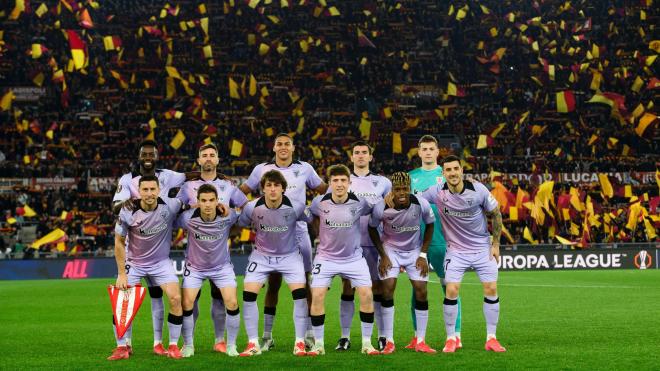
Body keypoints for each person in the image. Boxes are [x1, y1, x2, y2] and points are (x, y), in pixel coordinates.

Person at [239, 133, 327, 350]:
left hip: (298, 230)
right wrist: (231, 204)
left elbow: (324, 190)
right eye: (280, 144)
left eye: (287, 144)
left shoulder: (305, 168)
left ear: (293, 147)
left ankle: (307, 333)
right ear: (274, 148)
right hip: (270, 232)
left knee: (304, 283)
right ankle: (267, 336)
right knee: (273, 285)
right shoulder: (261, 169)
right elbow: (242, 192)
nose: (283, 147)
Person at [419, 155, 506, 353]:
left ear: (461, 170)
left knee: (491, 289)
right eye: (448, 170)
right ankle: (451, 339)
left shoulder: (478, 189)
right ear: (443, 173)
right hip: (456, 251)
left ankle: (491, 338)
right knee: (451, 290)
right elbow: (415, 199)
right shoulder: (437, 191)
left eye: (455, 169)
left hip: (482, 248)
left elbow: (496, 213)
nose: (452, 173)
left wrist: (496, 244)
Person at [111, 139, 187, 356]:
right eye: (145, 189)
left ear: (159, 189)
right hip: (134, 262)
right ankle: (122, 346)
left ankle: (171, 345)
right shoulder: (128, 204)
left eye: (153, 189)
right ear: (138, 191)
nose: (149, 193)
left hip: (161, 263)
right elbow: (117, 240)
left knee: (174, 298)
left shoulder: (170, 204)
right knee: (122, 302)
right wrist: (121, 273)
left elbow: (190, 196)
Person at [177, 143, 248, 353]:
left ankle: (221, 341)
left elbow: (244, 208)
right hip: (195, 256)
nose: (208, 158)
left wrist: (234, 226)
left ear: (217, 160)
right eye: (204, 155)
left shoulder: (228, 186)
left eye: (212, 155)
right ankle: (188, 344)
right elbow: (175, 210)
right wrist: (192, 207)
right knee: (190, 302)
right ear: (198, 160)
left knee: (222, 300)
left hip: (220, 257)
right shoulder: (187, 187)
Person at [307, 164, 381, 356]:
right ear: (330, 183)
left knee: (366, 294)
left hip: (353, 258)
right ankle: (319, 344)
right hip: (325, 257)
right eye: (335, 181)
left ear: (349, 183)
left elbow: (377, 211)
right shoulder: (319, 202)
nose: (339, 184)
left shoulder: (360, 203)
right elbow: (312, 217)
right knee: (317, 295)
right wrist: (318, 234)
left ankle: (367, 343)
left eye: (343, 180)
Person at [237, 170, 312, 357]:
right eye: (268, 185)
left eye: (276, 185)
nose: (272, 189)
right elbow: (240, 224)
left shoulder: (296, 207)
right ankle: (253, 343)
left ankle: (300, 343)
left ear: (283, 189)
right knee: (248, 294)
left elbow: (313, 221)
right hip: (261, 256)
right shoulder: (251, 207)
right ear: (262, 189)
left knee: (300, 295)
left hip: (290, 256)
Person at [368, 172, 436, 354]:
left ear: (409, 188)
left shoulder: (421, 203)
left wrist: (422, 254)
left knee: (421, 290)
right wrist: (383, 255)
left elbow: (430, 225)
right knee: (388, 288)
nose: (401, 193)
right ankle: (389, 340)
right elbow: (372, 228)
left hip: (414, 250)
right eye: (397, 189)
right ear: (392, 190)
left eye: (404, 188)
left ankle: (420, 340)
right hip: (390, 250)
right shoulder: (381, 207)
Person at [406, 135, 462, 349]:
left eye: (431, 149)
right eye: (424, 149)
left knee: (449, 287)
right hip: (416, 241)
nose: (428, 152)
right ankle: (416, 336)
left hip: (443, 239)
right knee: (417, 288)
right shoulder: (410, 177)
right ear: (418, 152)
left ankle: (456, 334)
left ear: (438, 152)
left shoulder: (447, 174)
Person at [337, 141, 391, 351]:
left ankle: (382, 336)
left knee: (377, 288)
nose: (360, 156)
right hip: (348, 246)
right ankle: (345, 336)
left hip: (374, 244)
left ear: (370, 157)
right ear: (351, 157)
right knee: (347, 288)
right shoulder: (343, 181)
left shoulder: (383, 182)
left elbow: (389, 212)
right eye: (356, 153)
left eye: (364, 153)